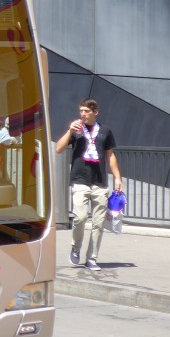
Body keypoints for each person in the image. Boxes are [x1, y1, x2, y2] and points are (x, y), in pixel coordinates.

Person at [55, 98, 122, 272]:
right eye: (81, 111)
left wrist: (117, 178)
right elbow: (59, 148)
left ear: (95, 112)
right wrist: (70, 131)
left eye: (86, 111)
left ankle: (92, 258)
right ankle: (76, 247)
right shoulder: (76, 130)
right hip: (80, 180)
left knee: (98, 223)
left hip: (99, 182)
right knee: (80, 217)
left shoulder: (105, 131)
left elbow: (110, 155)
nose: (83, 114)